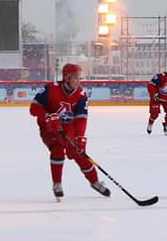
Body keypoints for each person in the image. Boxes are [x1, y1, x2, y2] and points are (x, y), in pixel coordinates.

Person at [29, 63, 109, 200]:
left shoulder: (81, 95)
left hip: (68, 129)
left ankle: (95, 182)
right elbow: (33, 108)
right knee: (58, 150)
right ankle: (57, 184)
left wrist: (80, 138)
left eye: (79, 78)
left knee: (79, 154)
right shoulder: (50, 88)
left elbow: (81, 118)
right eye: (75, 78)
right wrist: (47, 116)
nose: (78, 81)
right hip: (50, 129)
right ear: (66, 77)